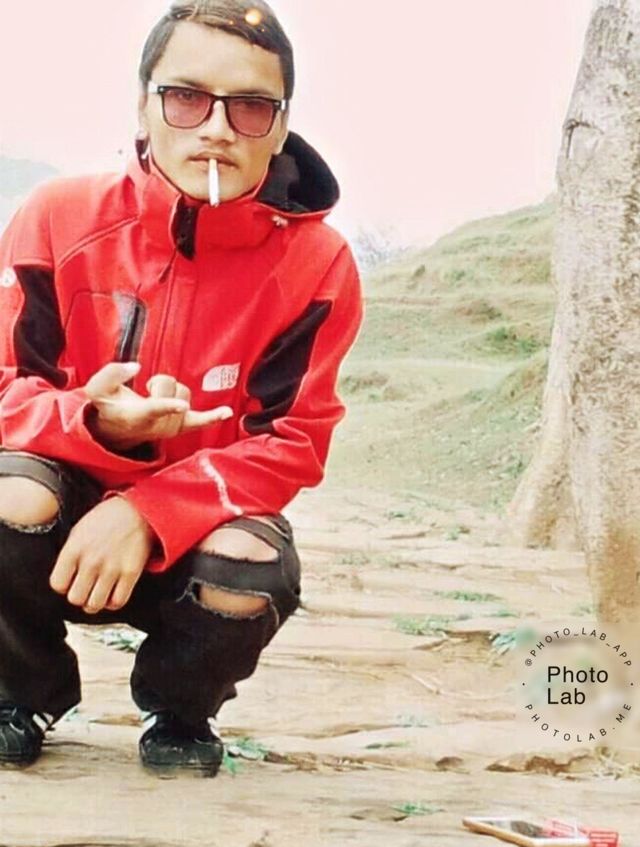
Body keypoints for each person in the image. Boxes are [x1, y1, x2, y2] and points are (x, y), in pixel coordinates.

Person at [0, 0, 363, 777]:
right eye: (187, 97)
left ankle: (181, 706)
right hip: (54, 518)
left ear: (281, 124)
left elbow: (293, 441)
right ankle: (18, 689)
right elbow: (4, 385)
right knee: (9, 492)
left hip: (198, 535)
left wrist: (149, 509)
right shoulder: (56, 217)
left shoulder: (319, 265)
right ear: (144, 105)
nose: (218, 128)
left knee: (249, 563)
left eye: (251, 106)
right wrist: (94, 422)